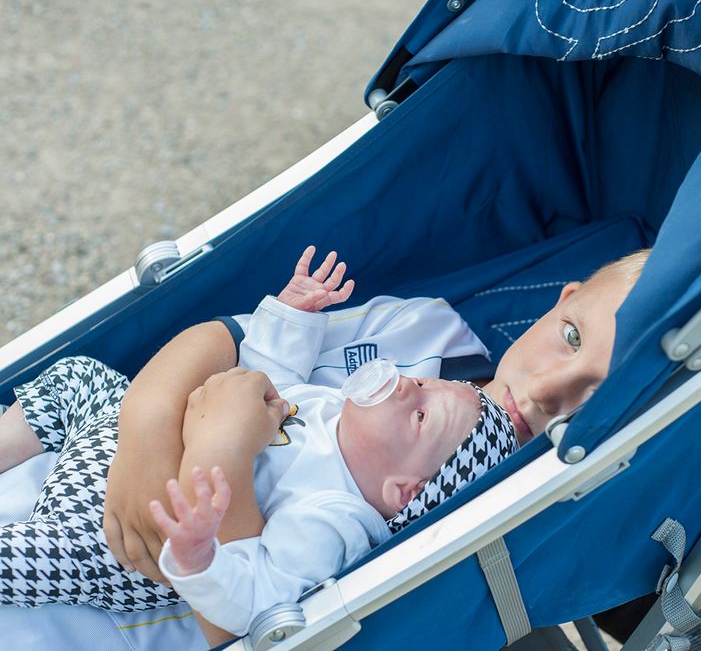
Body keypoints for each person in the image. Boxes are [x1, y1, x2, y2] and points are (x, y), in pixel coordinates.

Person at [0, 244, 650, 649]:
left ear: (407, 493)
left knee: (48, 556)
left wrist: (218, 447)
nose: (545, 392)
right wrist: (290, 316)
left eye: (597, 392)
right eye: (571, 337)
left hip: (143, 539)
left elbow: (247, 605)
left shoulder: (342, 516)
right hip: (124, 443)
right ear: (564, 299)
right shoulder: (417, 334)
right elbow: (258, 359)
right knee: (78, 381)